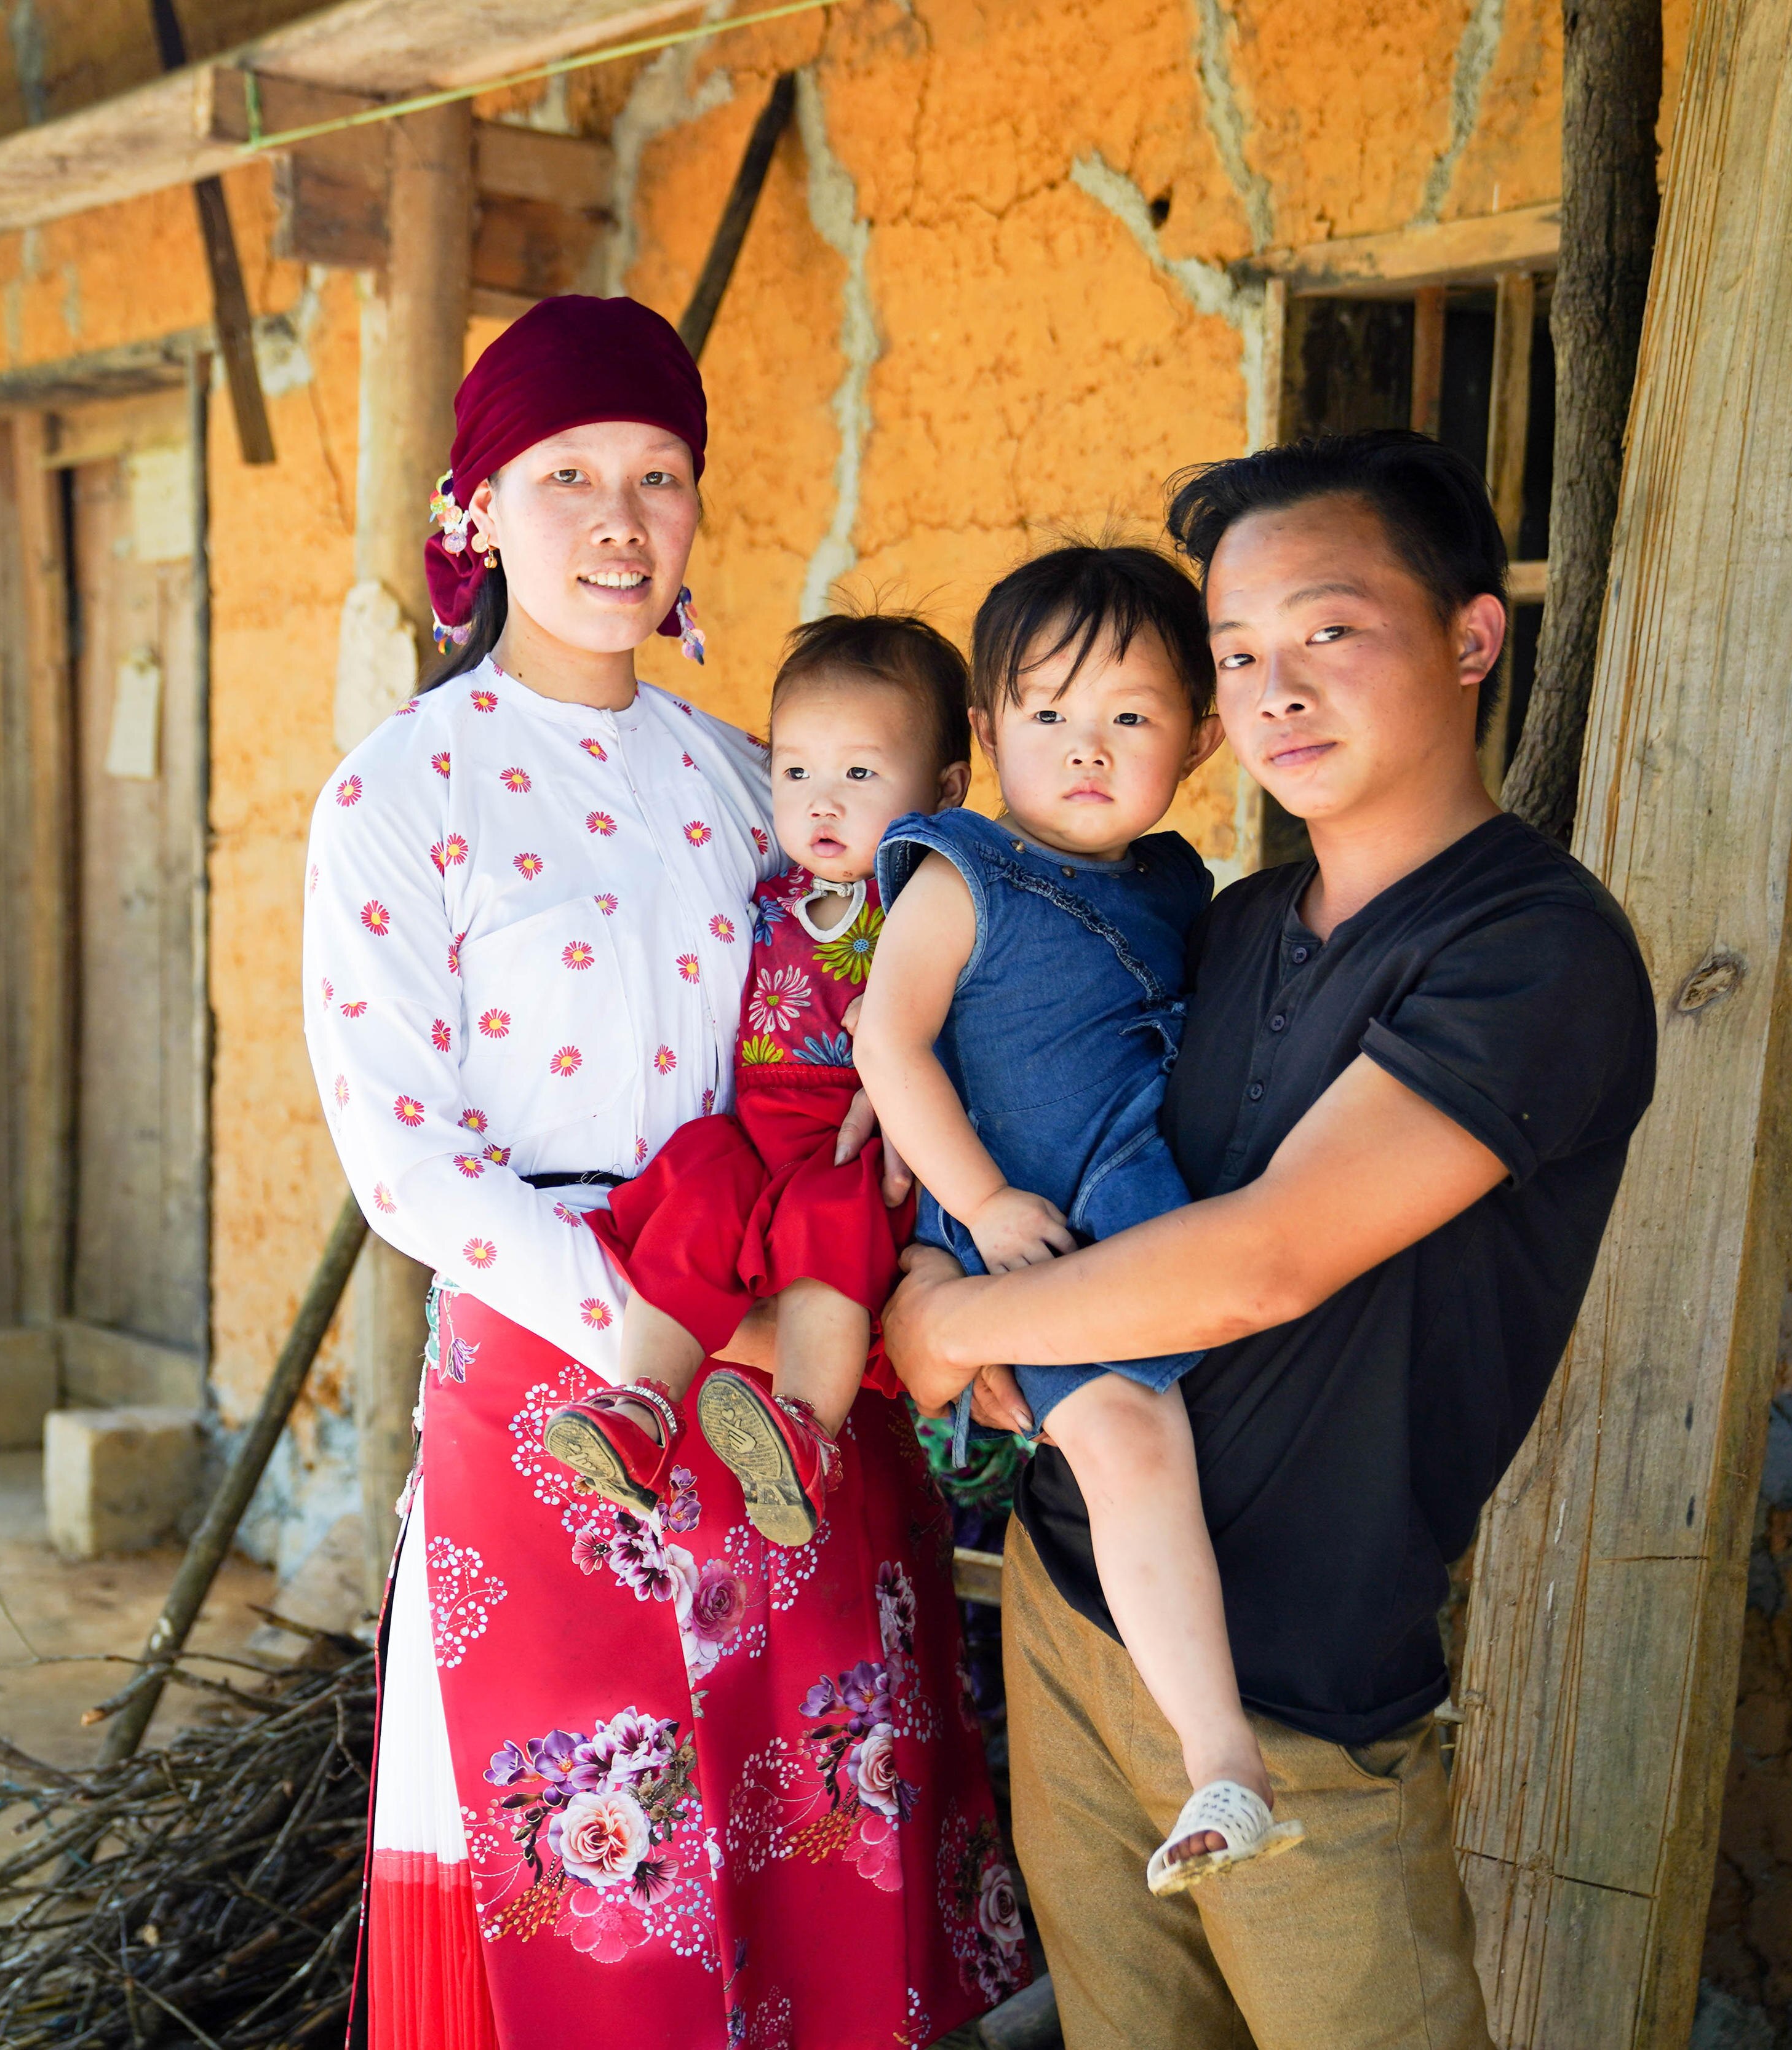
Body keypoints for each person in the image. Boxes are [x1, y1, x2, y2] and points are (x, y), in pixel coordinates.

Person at [304, 295, 1031, 2050]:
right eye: (568, 476)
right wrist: (641, 1315)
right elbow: (397, 1147)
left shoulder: (745, 778)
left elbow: (875, 1042)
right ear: (477, 509)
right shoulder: (400, 793)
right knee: (595, 1888)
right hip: (567, 1385)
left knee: (819, 1854)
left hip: (793, 1370)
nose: (621, 518)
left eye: (660, 474)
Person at [880, 429, 1659, 2049]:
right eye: (1238, 655)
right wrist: (980, 1305)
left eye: (1327, 630)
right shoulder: (1219, 923)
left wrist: (953, 1331)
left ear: (1469, 635)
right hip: (1074, 1599)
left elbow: (1261, 1262)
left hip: (1297, 1699)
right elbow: (1069, 1172)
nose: (1274, 688)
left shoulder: (1533, 952)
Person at [853, 541, 1302, 1896]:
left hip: (1133, 1199)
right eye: (1045, 715)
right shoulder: (964, 873)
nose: (1084, 748)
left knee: (1160, 1441)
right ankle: (1223, 1748)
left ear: (1202, 736)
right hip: (1023, 1218)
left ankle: (1217, 1743)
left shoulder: (1180, 886)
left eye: (1129, 715)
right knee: (1125, 1437)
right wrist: (979, 1204)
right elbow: (891, 1040)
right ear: (985, 733)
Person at [540, 612, 963, 1551]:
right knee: (695, 1185)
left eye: (860, 775)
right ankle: (642, 1411)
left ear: (945, 790)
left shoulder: (935, 899)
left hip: (848, 1144)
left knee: (831, 1223)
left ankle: (803, 1434)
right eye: (797, 771)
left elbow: (969, 1025)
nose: (821, 802)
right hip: (755, 1129)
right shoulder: (769, 885)